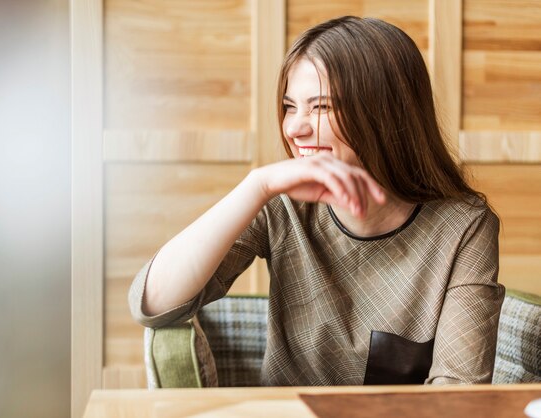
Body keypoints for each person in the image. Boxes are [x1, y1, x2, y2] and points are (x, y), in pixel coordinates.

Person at [129, 16, 504, 385]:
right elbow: (153, 304)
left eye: (320, 107)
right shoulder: (282, 203)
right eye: (290, 106)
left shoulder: (464, 227)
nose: (294, 128)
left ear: (384, 113)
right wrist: (257, 185)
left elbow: (458, 390)